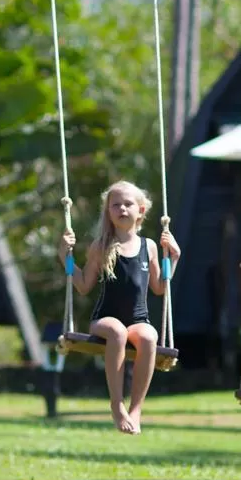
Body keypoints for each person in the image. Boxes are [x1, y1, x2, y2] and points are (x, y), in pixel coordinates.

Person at [60, 181, 180, 434]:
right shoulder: (101, 246)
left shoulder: (149, 247)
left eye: (128, 204)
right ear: (108, 212)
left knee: (149, 336)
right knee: (117, 332)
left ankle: (136, 409)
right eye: (116, 205)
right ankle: (117, 404)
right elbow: (83, 286)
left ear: (141, 210)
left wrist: (174, 259)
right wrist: (66, 258)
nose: (122, 209)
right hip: (105, 319)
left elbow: (159, 287)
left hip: (138, 319)